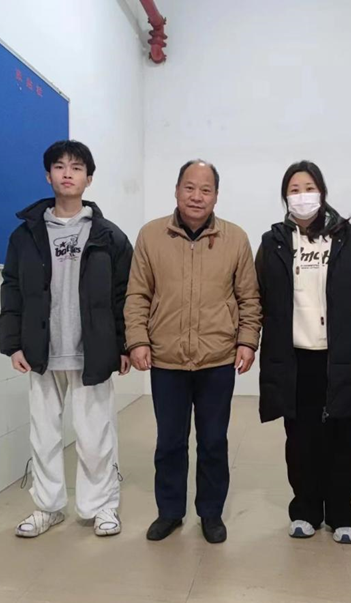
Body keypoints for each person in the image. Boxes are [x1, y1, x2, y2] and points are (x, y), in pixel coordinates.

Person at [0, 140, 133, 538]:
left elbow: (124, 294)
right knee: (44, 436)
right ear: (48, 176)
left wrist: (124, 345)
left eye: (77, 167)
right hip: (42, 350)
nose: (68, 173)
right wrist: (13, 343)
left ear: (89, 179)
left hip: (93, 350)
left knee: (95, 436)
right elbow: (12, 288)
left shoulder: (109, 236)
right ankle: (48, 507)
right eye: (60, 166)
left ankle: (102, 506)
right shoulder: (26, 235)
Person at [124, 160, 261, 544]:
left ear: (216, 196)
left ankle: (211, 513)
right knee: (170, 441)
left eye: (205, 189)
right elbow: (137, 294)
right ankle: (169, 511)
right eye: (189, 187)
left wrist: (247, 341)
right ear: (176, 190)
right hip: (166, 358)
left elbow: (249, 297)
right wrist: (137, 340)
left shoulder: (235, 238)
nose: (196, 196)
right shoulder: (151, 235)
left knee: (213, 441)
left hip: (217, 358)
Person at [256, 160, 351, 545]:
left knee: (343, 436)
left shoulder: (346, 239)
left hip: (339, 355)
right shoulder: (273, 242)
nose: (302, 195)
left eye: (308, 188)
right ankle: (305, 510)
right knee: (300, 439)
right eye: (294, 189)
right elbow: (257, 296)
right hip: (295, 357)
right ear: (285, 197)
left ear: (322, 192)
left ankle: (342, 512)